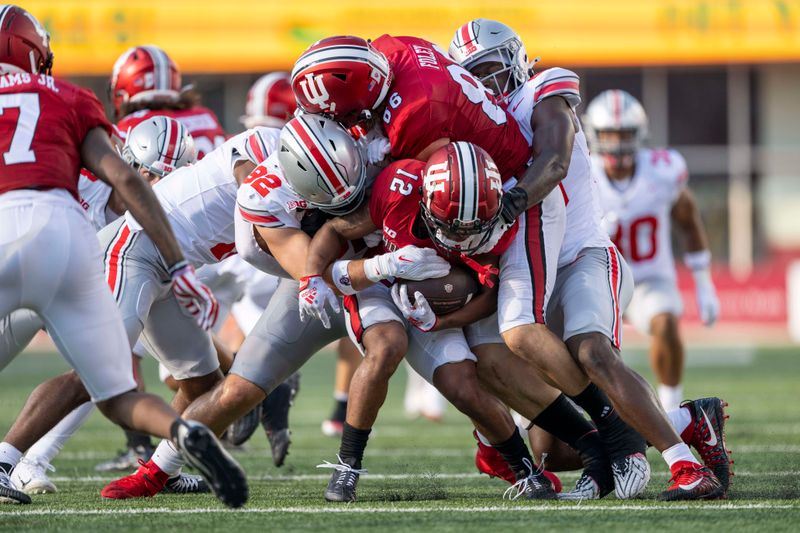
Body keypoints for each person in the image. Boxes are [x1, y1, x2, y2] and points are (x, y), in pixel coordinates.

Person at [449, 18, 725, 501]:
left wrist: (511, 201)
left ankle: (683, 465)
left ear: (515, 59)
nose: (487, 82)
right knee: (552, 448)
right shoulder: (480, 123)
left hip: (584, 256)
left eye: (493, 68)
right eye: (476, 74)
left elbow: (552, 162)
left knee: (591, 352)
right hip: (536, 271)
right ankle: (687, 419)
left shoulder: (542, 93)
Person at [0, 5, 246, 507]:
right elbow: (128, 182)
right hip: (75, 249)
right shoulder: (70, 100)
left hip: (33, 242)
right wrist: (181, 267)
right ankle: (24, 460)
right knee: (107, 382)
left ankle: (157, 459)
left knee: (184, 377)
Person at [302, 141, 612, 502]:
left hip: (431, 303)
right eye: (450, 226)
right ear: (426, 197)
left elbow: (488, 297)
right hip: (377, 283)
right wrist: (337, 272)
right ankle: (347, 467)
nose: (461, 237)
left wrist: (442, 322)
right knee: (387, 347)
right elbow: (336, 231)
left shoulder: (499, 225)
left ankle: (524, 470)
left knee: (464, 382)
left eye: (472, 228)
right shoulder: (400, 187)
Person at [585, 89, 721, 411]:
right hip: (598, 279)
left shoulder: (661, 171)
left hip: (648, 278)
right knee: (584, 348)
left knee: (666, 323)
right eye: (608, 133)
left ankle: (672, 409)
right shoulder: (581, 173)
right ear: (594, 134)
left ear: (639, 135)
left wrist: (704, 284)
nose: (616, 142)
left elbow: (688, 219)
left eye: (624, 134)